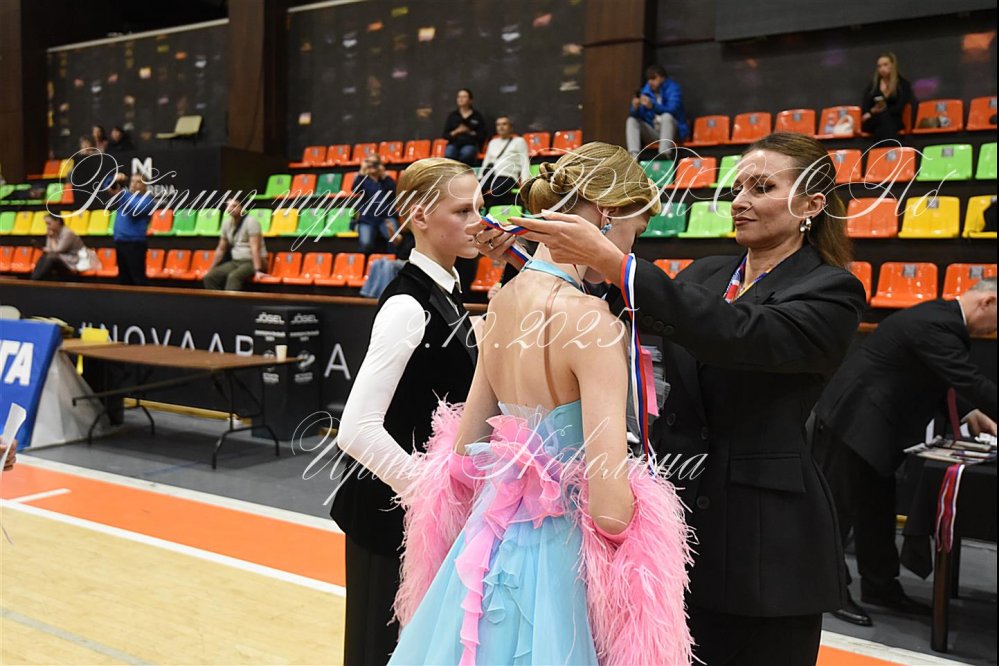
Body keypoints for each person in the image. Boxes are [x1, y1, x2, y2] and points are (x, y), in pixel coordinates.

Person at [489, 132, 867, 664]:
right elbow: (616, 316)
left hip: (767, 545)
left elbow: (738, 334)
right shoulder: (709, 272)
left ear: (811, 204)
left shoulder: (833, 290)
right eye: (737, 188)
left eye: (761, 188)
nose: (740, 201)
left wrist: (617, 263)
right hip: (681, 529)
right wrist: (533, 261)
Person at [386, 143, 692, 665]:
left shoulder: (502, 303)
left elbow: (464, 454)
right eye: (634, 231)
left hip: (487, 545)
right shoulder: (594, 322)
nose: (629, 250)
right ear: (606, 215)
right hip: (560, 565)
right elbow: (610, 511)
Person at [330, 157, 482, 666]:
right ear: (419, 215)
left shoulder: (447, 295)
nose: (477, 222)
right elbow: (356, 429)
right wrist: (431, 498)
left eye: (479, 208)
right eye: (462, 211)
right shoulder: (407, 306)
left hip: (417, 522)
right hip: (386, 521)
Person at [813, 278, 997, 627]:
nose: (994, 329)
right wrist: (977, 404)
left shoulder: (941, 319)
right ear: (987, 302)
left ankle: (880, 586)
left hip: (877, 427)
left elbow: (937, 377)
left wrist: (970, 412)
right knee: (838, 510)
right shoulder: (937, 323)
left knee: (877, 511)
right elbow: (969, 380)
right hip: (854, 421)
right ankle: (830, 591)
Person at [203, 198, 268, 291]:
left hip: (252, 261)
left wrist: (258, 270)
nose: (230, 209)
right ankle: (218, 300)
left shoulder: (251, 222)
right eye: (228, 206)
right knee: (210, 277)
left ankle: (228, 301)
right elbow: (221, 249)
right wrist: (211, 268)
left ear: (242, 207)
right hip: (236, 261)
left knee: (233, 277)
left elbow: (255, 248)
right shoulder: (226, 224)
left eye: (234, 206)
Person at [625, 64, 689, 159]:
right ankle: (633, 157)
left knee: (666, 116)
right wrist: (635, 108)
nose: (650, 82)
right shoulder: (645, 92)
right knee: (631, 120)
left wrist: (653, 106)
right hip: (655, 132)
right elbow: (638, 115)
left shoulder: (673, 88)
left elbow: (672, 109)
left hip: (674, 133)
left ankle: (664, 154)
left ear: (662, 77)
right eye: (649, 79)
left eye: (654, 78)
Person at [108, 173, 155, 286]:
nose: (134, 184)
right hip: (120, 242)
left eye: (138, 182)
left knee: (138, 279)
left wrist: (121, 193)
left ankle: (143, 297)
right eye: (132, 181)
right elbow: (108, 186)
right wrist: (114, 179)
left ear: (145, 186)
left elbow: (133, 209)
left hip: (135, 244)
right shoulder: (125, 196)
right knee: (124, 279)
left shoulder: (148, 201)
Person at [480, 115, 531, 210]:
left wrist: (525, 181)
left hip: (508, 176)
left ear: (510, 127)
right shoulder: (492, 142)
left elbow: (524, 162)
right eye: (498, 125)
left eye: (504, 124)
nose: (501, 127)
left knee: (496, 191)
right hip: (491, 175)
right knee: (475, 191)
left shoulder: (519, 141)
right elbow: (486, 162)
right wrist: (480, 178)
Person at [861, 52, 914, 141]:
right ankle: (893, 146)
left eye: (885, 65)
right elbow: (866, 106)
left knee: (883, 122)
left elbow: (899, 108)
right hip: (874, 119)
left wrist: (884, 109)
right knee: (881, 120)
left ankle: (882, 148)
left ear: (893, 65)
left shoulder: (902, 84)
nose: (882, 69)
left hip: (894, 118)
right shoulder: (873, 85)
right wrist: (873, 111)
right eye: (879, 66)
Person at [351, 155, 398, 255]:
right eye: (369, 163)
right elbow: (355, 189)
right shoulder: (363, 180)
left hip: (386, 217)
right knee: (365, 243)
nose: (372, 165)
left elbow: (393, 192)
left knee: (394, 240)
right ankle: (366, 262)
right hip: (367, 218)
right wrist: (362, 171)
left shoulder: (386, 180)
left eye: (375, 163)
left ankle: (392, 260)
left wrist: (383, 175)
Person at [30, 214, 86, 281]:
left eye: (49, 224)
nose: (47, 226)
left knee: (50, 257)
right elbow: (49, 248)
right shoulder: (53, 232)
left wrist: (52, 238)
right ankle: (34, 279)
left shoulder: (67, 233)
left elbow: (57, 250)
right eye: (46, 224)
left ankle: (34, 280)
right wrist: (50, 237)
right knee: (46, 256)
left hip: (73, 263)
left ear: (58, 221)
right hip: (62, 260)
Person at [442, 88, 487, 166]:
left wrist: (469, 131)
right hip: (454, 143)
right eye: (459, 97)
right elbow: (445, 135)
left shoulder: (477, 116)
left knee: (467, 153)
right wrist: (456, 131)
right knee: (449, 152)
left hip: (470, 143)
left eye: (464, 97)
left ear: (470, 100)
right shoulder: (453, 116)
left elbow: (482, 135)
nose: (461, 99)